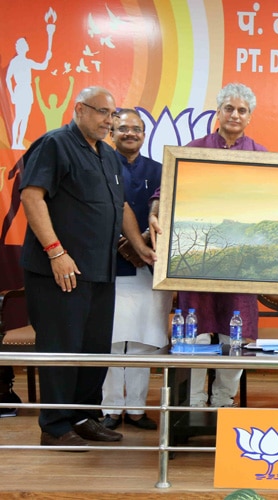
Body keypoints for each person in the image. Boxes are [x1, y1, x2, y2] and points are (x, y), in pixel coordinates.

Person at [19, 86, 156, 449]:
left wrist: (141, 248)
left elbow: (122, 207)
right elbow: (32, 197)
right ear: (79, 109)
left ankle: (84, 416)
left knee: (94, 349)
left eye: (112, 115)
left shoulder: (108, 155)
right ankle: (54, 425)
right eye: (102, 113)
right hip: (59, 270)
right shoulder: (54, 144)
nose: (108, 121)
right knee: (61, 348)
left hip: (100, 270)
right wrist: (55, 252)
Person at [150, 82, 265, 408]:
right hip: (195, 257)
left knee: (237, 336)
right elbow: (162, 194)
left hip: (241, 263)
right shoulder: (193, 150)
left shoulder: (261, 156)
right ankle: (195, 405)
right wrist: (154, 215)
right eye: (229, 108)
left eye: (242, 110)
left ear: (249, 116)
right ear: (218, 111)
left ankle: (223, 404)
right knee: (195, 334)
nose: (235, 114)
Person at [100, 109, 173, 431]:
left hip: (150, 267)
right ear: (111, 133)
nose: (130, 133)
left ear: (145, 135)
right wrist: (123, 244)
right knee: (112, 341)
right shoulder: (98, 167)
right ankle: (111, 410)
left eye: (137, 129)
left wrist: (141, 244)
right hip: (108, 266)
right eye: (123, 128)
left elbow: (170, 212)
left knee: (145, 341)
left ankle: (137, 409)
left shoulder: (162, 171)